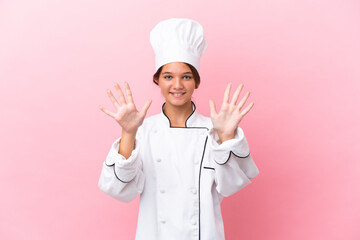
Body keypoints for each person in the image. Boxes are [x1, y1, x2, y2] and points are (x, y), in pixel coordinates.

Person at [97, 18, 259, 240]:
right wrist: (128, 133)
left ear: (196, 82)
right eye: (168, 77)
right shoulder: (142, 130)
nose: (177, 85)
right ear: (157, 80)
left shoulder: (213, 130)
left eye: (186, 76)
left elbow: (230, 186)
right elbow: (118, 189)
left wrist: (227, 136)